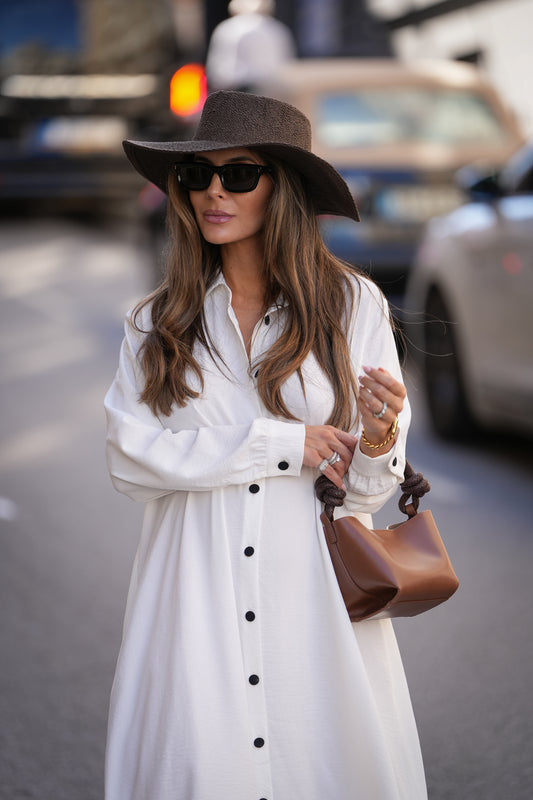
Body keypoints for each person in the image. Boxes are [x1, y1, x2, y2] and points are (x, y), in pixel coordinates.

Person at [104, 90, 427, 800]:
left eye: (238, 174)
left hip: (313, 610)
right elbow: (131, 460)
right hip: (192, 605)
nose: (212, 191)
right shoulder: (154, 322)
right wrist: (280, 443)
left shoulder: (352, 307)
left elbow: (369, 490)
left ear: (282, 191)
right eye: (196, 176)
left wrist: (377, 438)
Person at [205, 0, 296, 91]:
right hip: (272, 90)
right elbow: (287, 65)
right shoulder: (278, 29)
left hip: (236, 90)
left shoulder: (227, 28)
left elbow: (219, 70)